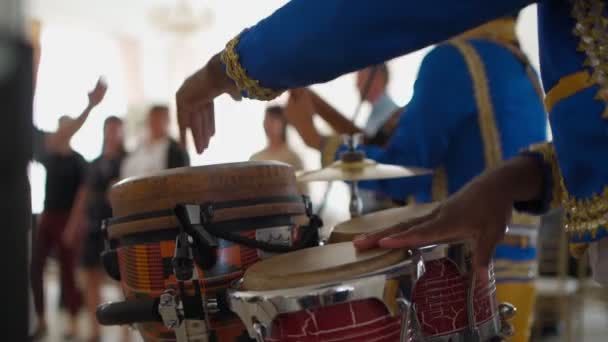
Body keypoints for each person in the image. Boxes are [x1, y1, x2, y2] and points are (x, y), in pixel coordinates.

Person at [174, 0, 608, 293]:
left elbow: (408, 161)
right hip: (515, 264)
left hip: (456, 270)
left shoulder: (454, 61)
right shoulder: (522, 69)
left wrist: (231, 73)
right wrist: (512, 179)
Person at [286, 17, 545, 341]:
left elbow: (405, 170)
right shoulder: (523, 68)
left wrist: (317, 142)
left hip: (452, 283)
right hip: (516, 274)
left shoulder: (453, 60)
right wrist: (321, 109)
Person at [31, 79, 107, 339]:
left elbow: (81, 196)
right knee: (36, 266)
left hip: (68, 218)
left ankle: (73, 321)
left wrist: (73, 226)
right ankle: (40, 319)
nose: (64, 131)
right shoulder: (48, 155)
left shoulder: (78, 161)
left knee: (68, 270)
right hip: (48, 216)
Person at [286, 66, 403, 213]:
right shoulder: (377, 117)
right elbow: (366, 141)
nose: (357, 85)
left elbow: (379, 158)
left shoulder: (390, 115)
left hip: (386, 212)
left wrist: (315, 139)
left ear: (378, 77)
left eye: (360, 79)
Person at [62, 116, 126, 342]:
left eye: (117, 130)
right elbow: (83, 195)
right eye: (109, 129)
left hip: (118, 228)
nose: (113, 134)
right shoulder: (94, 163)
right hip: (92, 226)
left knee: (123, 280)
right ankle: (95, 330)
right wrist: (73, 224)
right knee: (90, 277)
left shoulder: (127, 161)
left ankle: (125, 334)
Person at [250, 105, 308, 194]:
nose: (268, 125)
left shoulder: (293, 157)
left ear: (283, 123)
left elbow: (302, 192)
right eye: (266, 120)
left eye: (272, 120)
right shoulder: (255, 158)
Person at [121, 105, 189, 179]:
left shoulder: (177, 150)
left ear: (167, 121)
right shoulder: (139, 147)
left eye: (158, 119)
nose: (153, 123)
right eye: (151, 119)